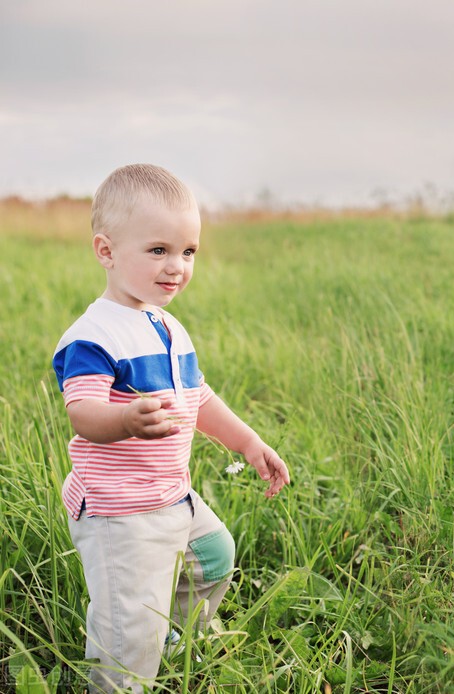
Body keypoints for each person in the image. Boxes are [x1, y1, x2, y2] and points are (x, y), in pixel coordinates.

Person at [52, 163, 291, 692]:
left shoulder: (166, 324)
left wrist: (248, 442)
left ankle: (178, 637)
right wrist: (126, 418)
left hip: (171, 495)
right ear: (106, 251)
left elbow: (196, 396)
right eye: (158, 250)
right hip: (122, 512)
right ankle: (125, 672)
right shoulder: (94, 336)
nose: (177, 266)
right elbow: (83, 413)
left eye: (188, 252)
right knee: (128, 630)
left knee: (213, 557)